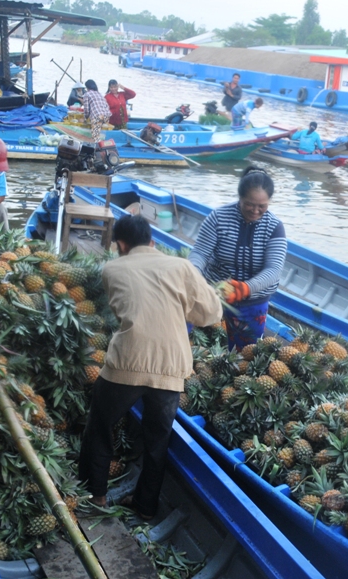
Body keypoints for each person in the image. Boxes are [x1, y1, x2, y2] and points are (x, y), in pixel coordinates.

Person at [79, 215, 222, 514]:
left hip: (127, 361)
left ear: (120, 244)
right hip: (171, 367)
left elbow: (125, 306)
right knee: (158, 441)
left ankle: (96, 497)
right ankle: (146, 506)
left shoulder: (111, 268)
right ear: (152, 242)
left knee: (100, 427)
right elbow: (210, 315)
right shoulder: (181, 266)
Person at [189, 167, 286, 350]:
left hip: (253, 301)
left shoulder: (274, 227)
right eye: (250, 204)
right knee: (192, 337)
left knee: (245, 353)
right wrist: (193, 275)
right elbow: (200, 253)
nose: (256, 211)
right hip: (213, 294)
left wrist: (245, 288)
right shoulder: (218, 218)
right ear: (239, 197)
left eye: (262, 206)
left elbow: (273, 270)